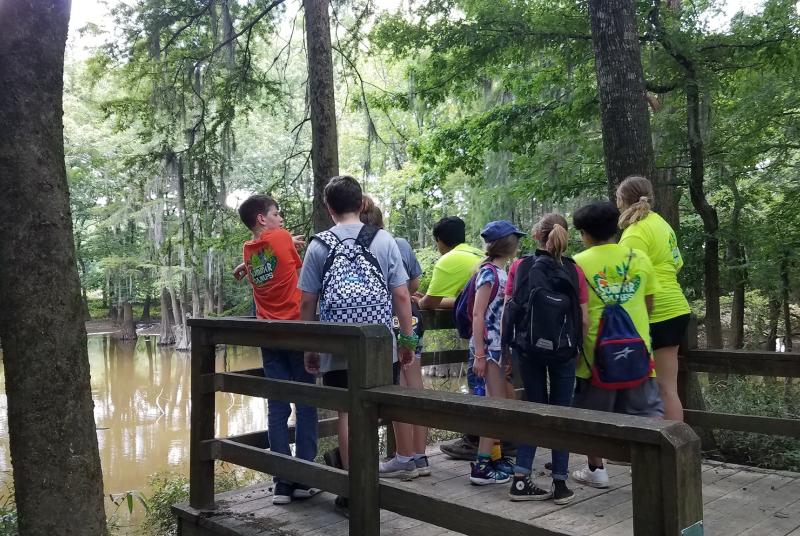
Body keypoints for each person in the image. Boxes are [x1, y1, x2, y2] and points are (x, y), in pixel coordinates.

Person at [298, 176, 417, 514]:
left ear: (328, 207)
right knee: (381, 407)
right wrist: (405, 340)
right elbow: (402, 295)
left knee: (346, 413)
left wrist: (311, 346)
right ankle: (384, 477)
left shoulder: (319, 245)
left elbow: (307, 302)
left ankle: (354, 490)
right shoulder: (385, 240)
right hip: (380, 343)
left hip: (337, 343)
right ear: (361, 203)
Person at [571, 201, 663, 489]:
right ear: (615, 228)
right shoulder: (639, 258)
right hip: (638, 350)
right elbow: (648, 304)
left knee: (593, 416)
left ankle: (596, 470)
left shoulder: (577, 263)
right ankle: (653, 472)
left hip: (594, 354)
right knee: (647, 413)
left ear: (584, 233)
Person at [236, 195, 318, 506]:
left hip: (268, 335)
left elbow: (266, 255)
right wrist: (289, 240)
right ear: (261, 218)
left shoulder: (249, 248)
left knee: (278, 407)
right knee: (307, 404)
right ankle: (305, 476)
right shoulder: (282, 238)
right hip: (296, 332)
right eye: (276, 213)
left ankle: (282, 481)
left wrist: (244, 266)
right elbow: (297, 265)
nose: (281, 217)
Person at [503, 214, 589, 505]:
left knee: (534, 410)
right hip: (564, 351)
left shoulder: (520, 266)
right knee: (561, 413)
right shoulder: (574, 270)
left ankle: (520, 479)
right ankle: (561, 484)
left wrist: (506, 350)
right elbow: (584, 318)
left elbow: (509, 309)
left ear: (536, 234)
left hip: (528, 350)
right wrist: (577, 348)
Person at [360, 196, 431, 477]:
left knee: (396, 388)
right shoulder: (398, 243)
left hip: (381, 325)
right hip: (409, 319)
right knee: (415, 386)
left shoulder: (359, 244)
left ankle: (404, 457)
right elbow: (413, 283)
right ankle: (420, 456)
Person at [616, 176, 691, 422]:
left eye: (617, 198)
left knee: (650, 388)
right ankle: (675, 451)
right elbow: (677, 263)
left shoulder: (634, 233)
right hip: (676, 307)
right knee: (668, 388)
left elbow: (628, 279)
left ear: (622, 200)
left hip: (654, 312)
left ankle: (655, 451)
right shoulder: (663, 225)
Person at [416, 216, 486, 460]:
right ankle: (498, 440)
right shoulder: (478, 254)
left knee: (477, 382)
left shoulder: (449, 260)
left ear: (439, 241)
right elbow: (475, 299)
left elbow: (429, 303)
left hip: (482, 333)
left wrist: (421, 300)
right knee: (490, 384)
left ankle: (475, 441)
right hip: (497, 328)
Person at [469, 221, 524, 485]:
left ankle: (494, 457)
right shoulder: (489, 273)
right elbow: (478, 314)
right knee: (494, 404)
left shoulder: (502, 272)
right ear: (508, 245)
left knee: (499, 400)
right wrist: (480, 354)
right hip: (488, 348)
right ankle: (480, 466)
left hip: (497, 348)